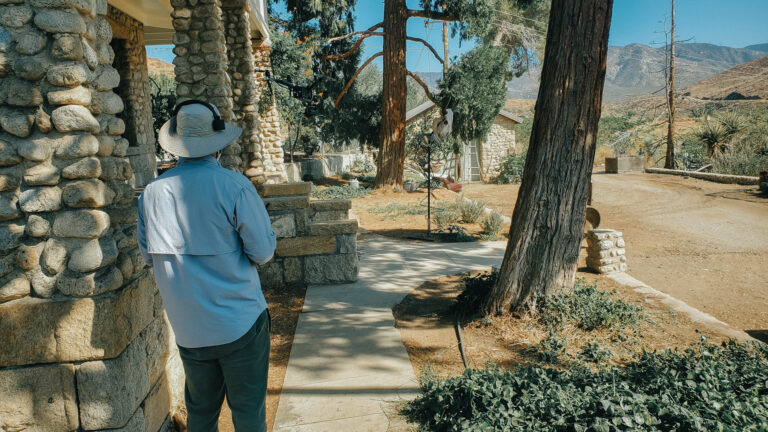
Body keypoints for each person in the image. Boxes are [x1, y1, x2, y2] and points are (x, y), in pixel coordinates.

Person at [138, 100, 276, 432]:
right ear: (216, 143)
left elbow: (147, 256)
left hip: (189, 328)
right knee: (248, 413)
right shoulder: (234, 186)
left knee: (201, 414)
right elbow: (262, 252)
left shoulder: (151, 194)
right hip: (240, 322)